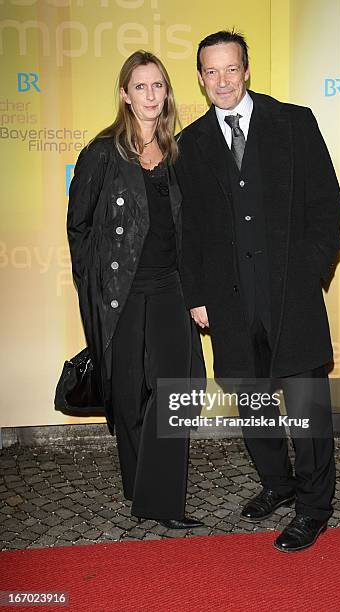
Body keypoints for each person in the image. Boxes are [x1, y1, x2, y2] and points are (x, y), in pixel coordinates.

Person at [175, 30, 340, 551]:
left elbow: (326, 205)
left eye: (231, 69)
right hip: (229, 301)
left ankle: (315, 507)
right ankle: (278, 483)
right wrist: (198, 296)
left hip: (291, 297)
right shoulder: (192, 143)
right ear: (201, 78)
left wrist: (311, 269)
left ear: (246, 69)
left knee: (307, 409)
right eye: (211, 72)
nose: (222, 81)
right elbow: (192, 231)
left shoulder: (293, 123)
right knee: (252, 406)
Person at [67, 50, 205, 530]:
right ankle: (138, 488)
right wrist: (95, 290)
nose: (151, 95)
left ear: (168, 92)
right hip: (120, 295)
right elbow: (79, 228)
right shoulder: (103, 153)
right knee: (128, 397)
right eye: (141, 86)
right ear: (125, 95)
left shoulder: (181, 152)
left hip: (170, 288)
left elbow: (193, 231)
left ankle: (161, 501)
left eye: (159, 86)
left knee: (177, 392)